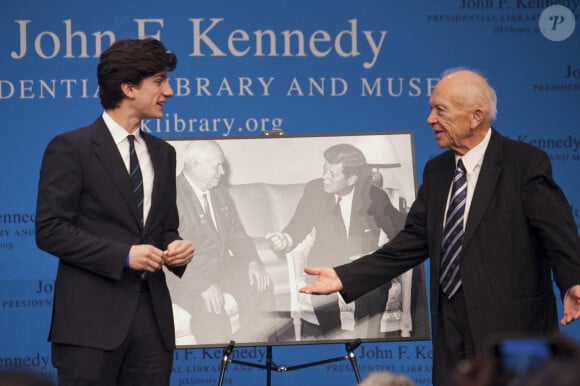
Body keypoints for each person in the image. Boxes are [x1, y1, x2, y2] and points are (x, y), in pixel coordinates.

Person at [299, 68, 580, 385]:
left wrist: (573, 280)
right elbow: (411, 242)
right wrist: (344, 276)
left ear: (475, 116)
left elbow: (556, 228)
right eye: (432, 108)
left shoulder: (524, 162)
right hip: (451, 325)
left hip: (513, 325)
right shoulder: (437, 172)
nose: (430, 119)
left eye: (440, 110)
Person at [35, 39, 194, 386]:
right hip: (90, 326)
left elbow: (165, 227)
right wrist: (124, 255)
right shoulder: (71, 148)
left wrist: (177, 248)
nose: (168, 91)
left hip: (153, 322)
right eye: (159, 81)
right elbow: (50, 229)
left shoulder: (164, 153)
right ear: (128, 88)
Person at [266, 143, 405, 338]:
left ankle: (369, 342)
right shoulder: (315, 190)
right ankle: (333, 340)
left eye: (332, 174)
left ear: (351, 179)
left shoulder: (375, 196)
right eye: (324, 170)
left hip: (363, 266)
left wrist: (374, 256)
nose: (325, 177)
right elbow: (299, 223)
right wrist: (286, 238)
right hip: (326, 264)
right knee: (323, 295)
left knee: (373, 292)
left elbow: (402, 232)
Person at [166, 140, 273, 344]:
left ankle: (250, 348)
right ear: (195, 165)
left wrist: (252, 261)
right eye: (217, 165)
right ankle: (218, 366)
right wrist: (203, 285)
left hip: (219, 269)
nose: (223, 171)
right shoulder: (169, 196)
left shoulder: (220, 193)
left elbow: (237, 235)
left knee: (261, 285)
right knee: (212, 311)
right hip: (183, 277)